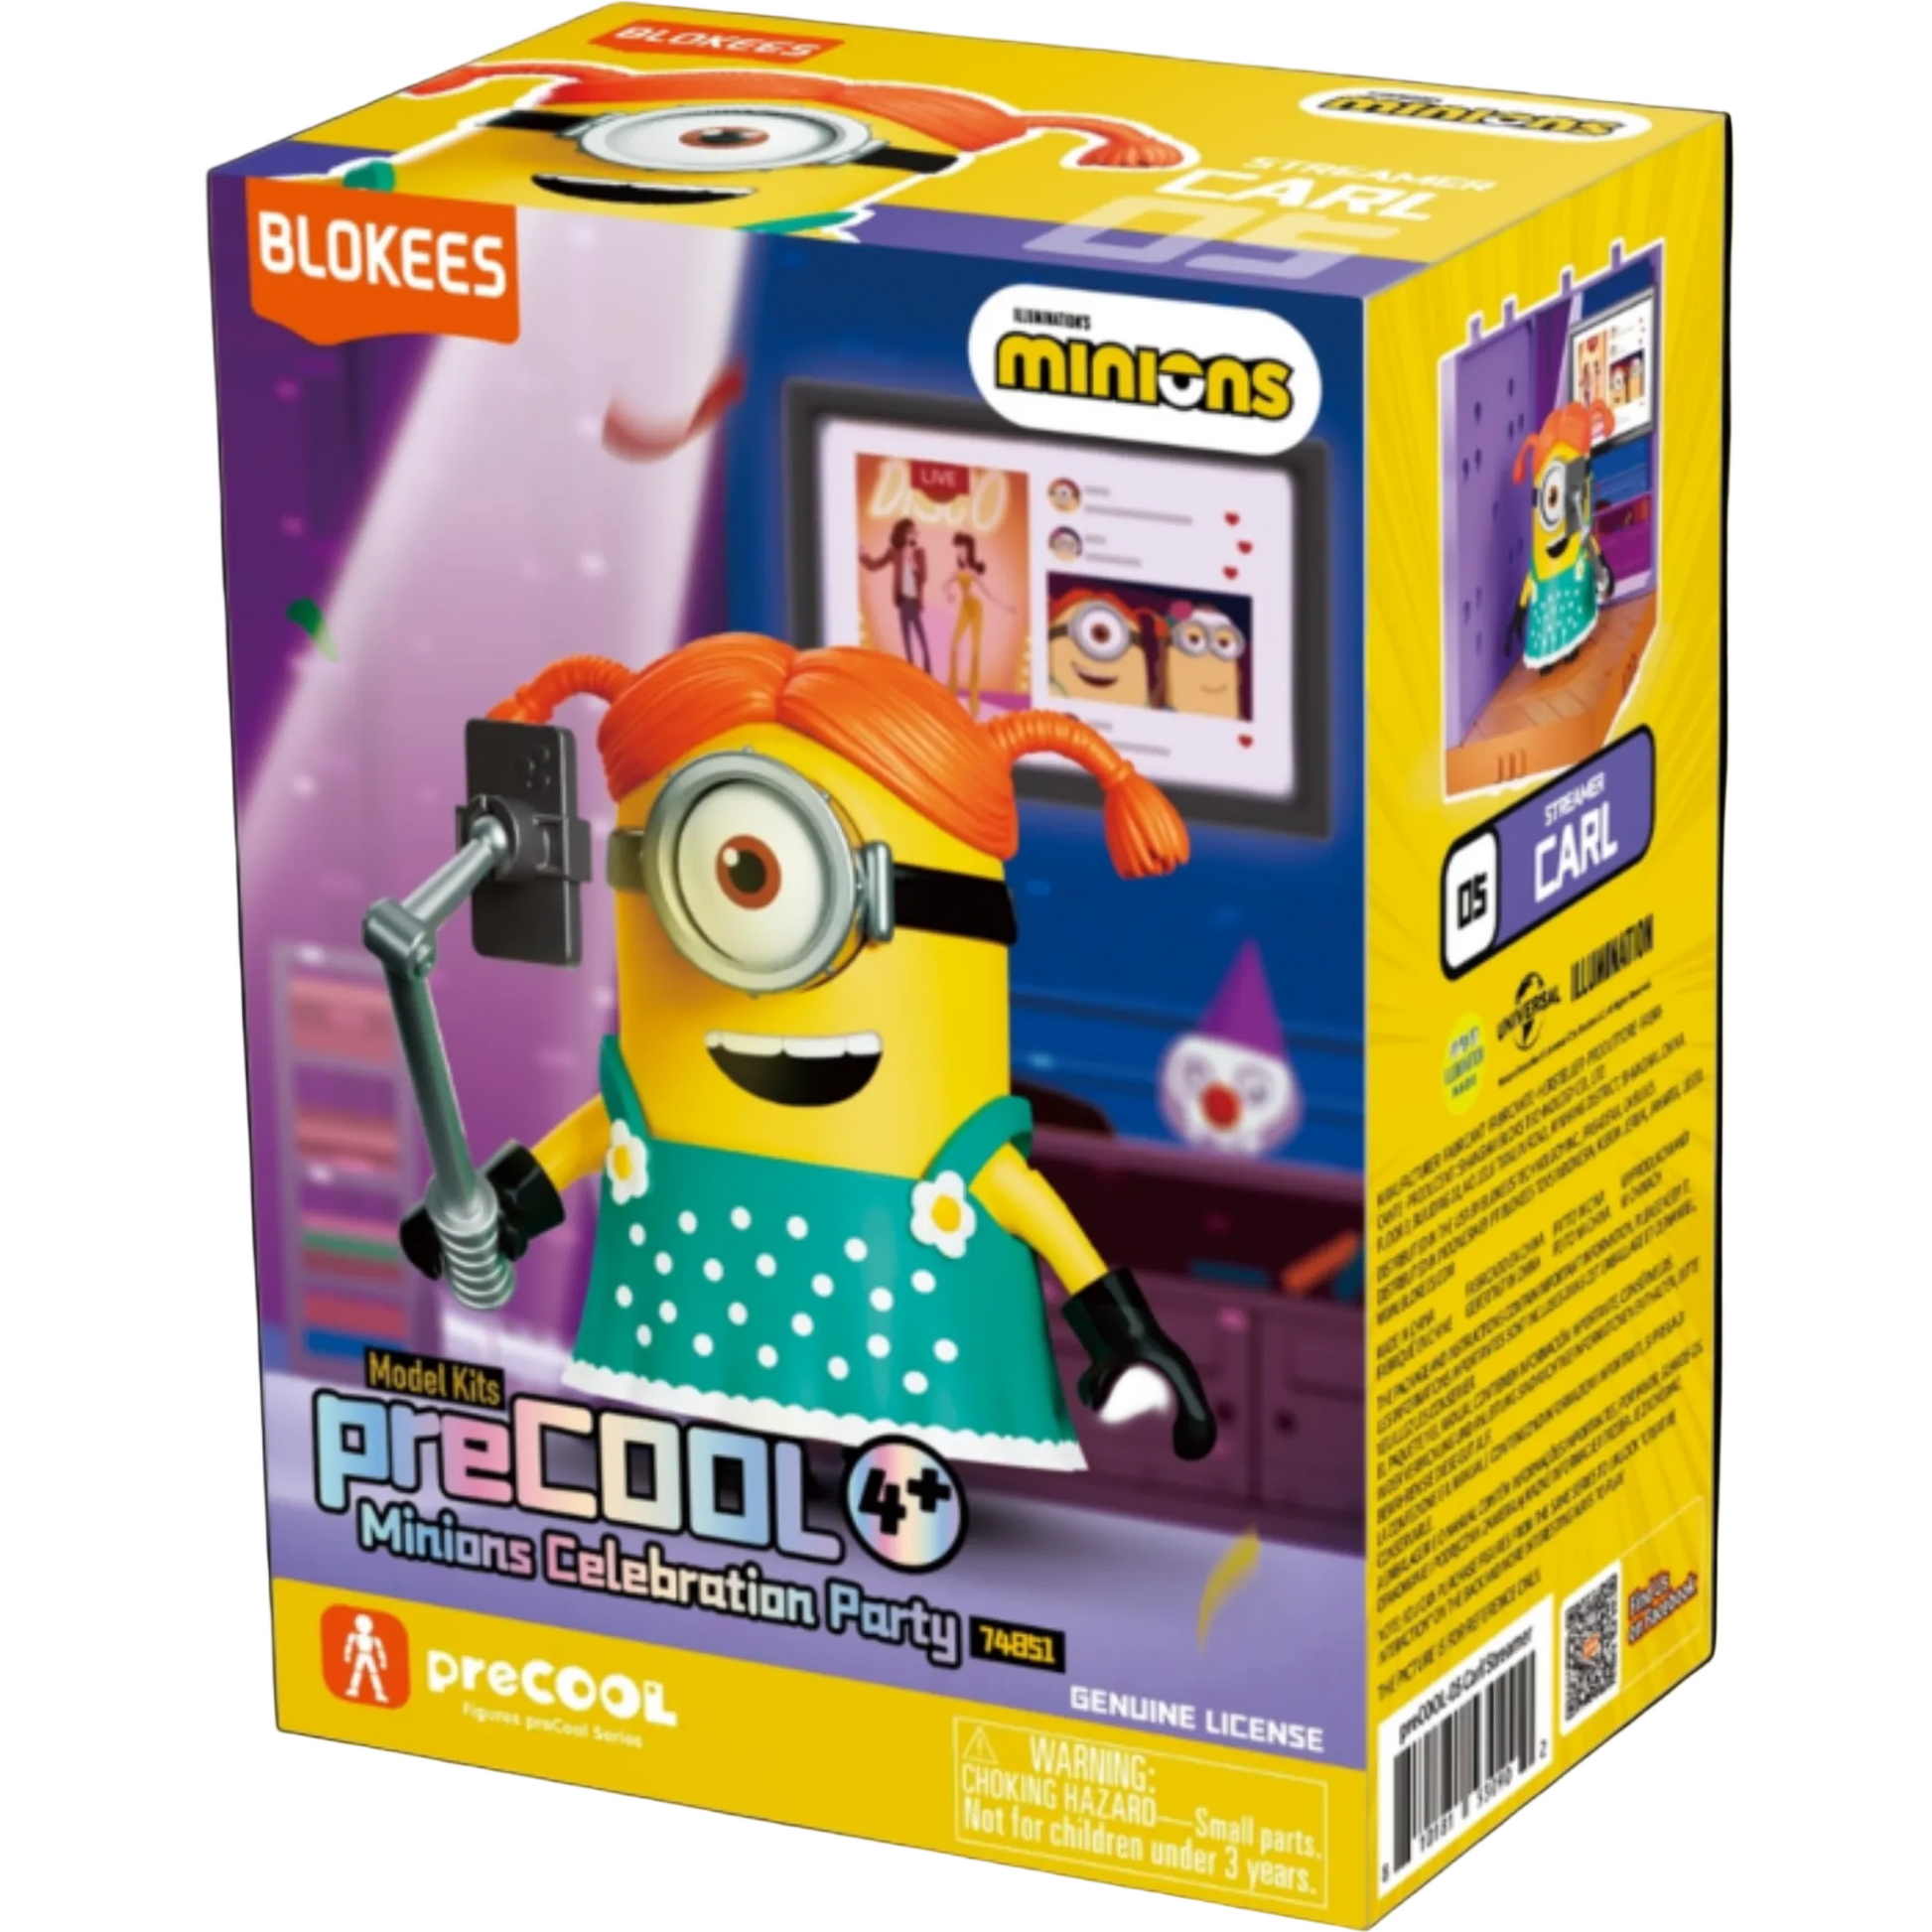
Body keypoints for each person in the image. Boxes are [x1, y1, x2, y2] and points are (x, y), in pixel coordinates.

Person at [400, 637, 1217, 1468]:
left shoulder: (945, 1147)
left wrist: (1125, 1335)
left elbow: (1019, 1199)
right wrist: (493, 1212)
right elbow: (599, 1134)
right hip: (687, 1377)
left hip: (899, 1413)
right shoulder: (652, 1102)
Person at [944, 533, 1014, 716]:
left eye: (963, 548)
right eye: (958, 549)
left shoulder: (972, 572)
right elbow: (945, 585)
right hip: (964, 608)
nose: (960, 552)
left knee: (975, 651)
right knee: (953, 645)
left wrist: (1005, 606)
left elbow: (988, 594)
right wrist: (949, 594)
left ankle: (974, 702)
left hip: (976, 609)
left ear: (969, 551)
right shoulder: (957, 572)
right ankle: (951, 693)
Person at [860, 518, 930, 671]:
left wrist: (912, 562)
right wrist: (862, 555)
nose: (913, 535)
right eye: (910, 532)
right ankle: (911, 672)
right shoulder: (894, 551)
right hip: (902, 601)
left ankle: (928, 670)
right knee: (907, 640)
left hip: (914, 602)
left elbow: (924, 577)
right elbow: (874, 565)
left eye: (915, 532)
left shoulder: (919, 553)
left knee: (922, 639)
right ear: (903, 533)